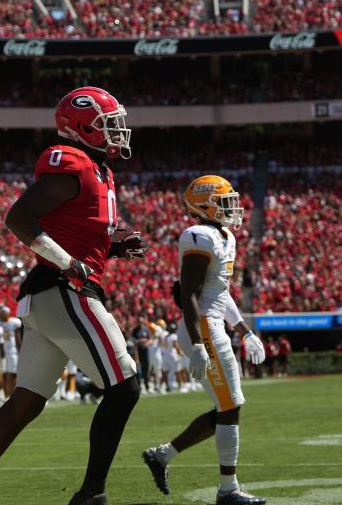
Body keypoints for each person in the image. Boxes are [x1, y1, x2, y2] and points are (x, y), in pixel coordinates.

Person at [0, 86, 147, 505]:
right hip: (64, 289)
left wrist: (114, 247)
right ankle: (92, 494)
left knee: (26, 401)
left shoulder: (101, 172)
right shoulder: (74, 162)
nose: (117, 131)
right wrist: (66, 261)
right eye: (106, 124)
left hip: (52, 293)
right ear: (80, 128)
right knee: (124, 387)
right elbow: (19, 216)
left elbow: (78, 229)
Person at [142, 175, 268, 505]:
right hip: (204, 328)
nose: (233, 208)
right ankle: (228, 490)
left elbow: (220, 294)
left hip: (214, 327)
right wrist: (198, 343)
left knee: (228, 406)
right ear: (205, 204)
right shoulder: (198, 235)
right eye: (225, 201)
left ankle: (162, 456)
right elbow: (191, 295)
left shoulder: (223, 236)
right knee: (230, 406)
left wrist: (245, 331)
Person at [0, 305, 21, 401]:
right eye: (2, 312)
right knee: (3, 374)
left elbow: (18, 338)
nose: (4, 314)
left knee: (13, 373)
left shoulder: (14, 322)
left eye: (5, 312)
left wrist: (20, 350)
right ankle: (5, 395)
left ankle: (12, 394)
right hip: (0, 353)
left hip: (12, 351)